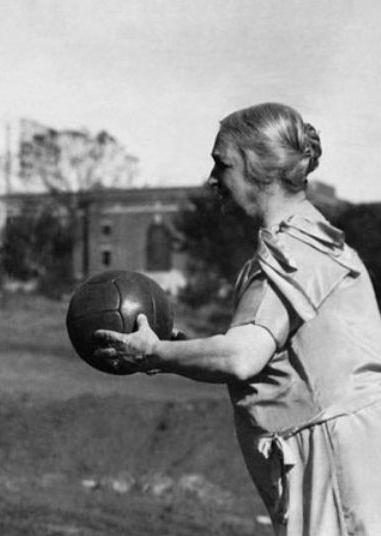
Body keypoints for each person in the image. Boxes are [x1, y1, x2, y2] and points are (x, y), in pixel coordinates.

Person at [95, 102, 381, 534]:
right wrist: (181, 348)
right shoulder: (313, 238)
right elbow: (274, 359)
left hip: (335, 462)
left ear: (256, 165)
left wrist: (154, 352)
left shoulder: (292, 252)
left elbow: (241, 357)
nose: (213, 179)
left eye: (221, 164)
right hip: (346, 454)